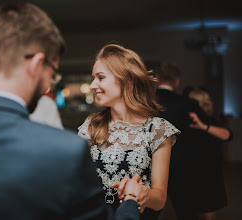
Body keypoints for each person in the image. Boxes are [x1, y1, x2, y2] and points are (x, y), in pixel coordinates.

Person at [0, 3, 146, 220]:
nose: (50, 82)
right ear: (36, 64)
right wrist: (130, 200)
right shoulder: (66, 152)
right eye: (52, 73)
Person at [78, 44, 180, 220]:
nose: (93, 85)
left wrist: (143, 194)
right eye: (93, 78)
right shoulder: (91, 125)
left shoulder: (157, 129)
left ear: (125, 79)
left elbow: (160, 199)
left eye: (100, 78)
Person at [155, 62, 206, 220]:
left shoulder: (143, 103)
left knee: (147, 213)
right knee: (186, 213)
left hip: (150, 166)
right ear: (177, 81)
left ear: (156, 79)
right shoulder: (188, 104)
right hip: (182, 166)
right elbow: (199, 135)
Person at [188, 89, 232, 220]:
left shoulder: (211, 121)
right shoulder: (187, 122)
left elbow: (228, 135)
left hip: (210, 174)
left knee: (209, 212)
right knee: (193, 211)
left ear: (202, 104)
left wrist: (204, 127)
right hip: (191, 173)